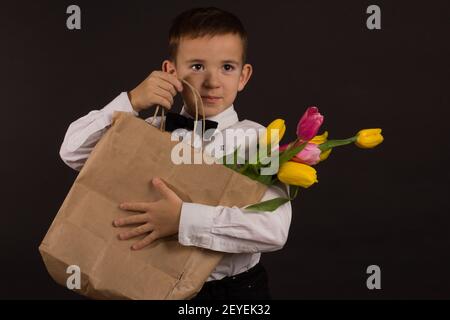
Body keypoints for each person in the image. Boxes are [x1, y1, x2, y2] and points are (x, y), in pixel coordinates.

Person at [59, 7, 292, 300]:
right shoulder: (151, 130)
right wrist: (130, 101)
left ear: (244, 76)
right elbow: (73, 152)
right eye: (196, 66)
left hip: (232, 293)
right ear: (171, 72)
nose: (212, 81)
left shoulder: (259, 140)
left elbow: (272, 228)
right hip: (145, 281)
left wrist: (183, 219)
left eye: (227, 67)